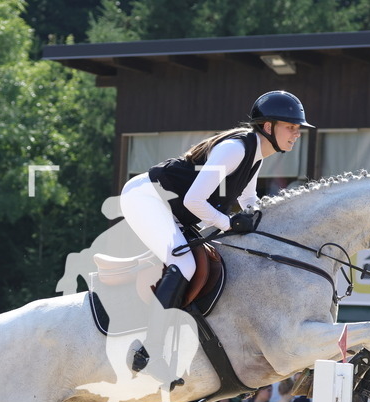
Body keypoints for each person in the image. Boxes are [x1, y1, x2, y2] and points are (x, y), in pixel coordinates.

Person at [120, 90, 314, 380]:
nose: (296, 133)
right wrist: (228, 223)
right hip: (146, 197)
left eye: (298, 128)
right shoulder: (236, 149)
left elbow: (250, 202)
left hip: (171, 208)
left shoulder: (256, 156)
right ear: (268, 127)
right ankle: (150, 350)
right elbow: (194, 201)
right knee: (185, 264)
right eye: (291, 127)